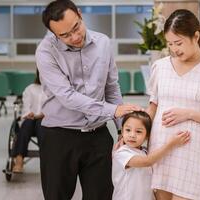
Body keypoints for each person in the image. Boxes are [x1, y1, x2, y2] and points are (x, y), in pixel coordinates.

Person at [35, 1, 142, 200]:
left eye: (76, 27)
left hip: (98, 136)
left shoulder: (103, 43)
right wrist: (113, 110)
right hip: (59, 137)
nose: (75, 37)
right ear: (53, 34)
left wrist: (121, 130)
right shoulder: (45, 52)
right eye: (64, 35)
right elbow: (67, 96)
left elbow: (111, 88)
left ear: (80, 14)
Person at [146, 9, 200, 200]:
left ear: (195, 36)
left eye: (178, 43)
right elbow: (152, 106)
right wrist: (137, 137)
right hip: (160, 149)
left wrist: (189, 114)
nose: (174, 49)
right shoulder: (160, 67)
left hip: (190, 153)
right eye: (169, 44)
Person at [112, 111, 190, 200]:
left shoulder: (145, 152)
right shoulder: (122, 153)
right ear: (122, 131)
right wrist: (171, 144)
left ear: (147, 136)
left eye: (138, 131)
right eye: (128, 130)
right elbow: (147, 162)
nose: (132, 135)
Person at [12, 69, 46, 173]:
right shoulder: (30, 89)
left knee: (41, 123)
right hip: (30, 121)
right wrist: (30, 114)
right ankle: (19, 160)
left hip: (46, 121)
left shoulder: (53, 89)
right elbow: (26, 109)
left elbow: (54, 109)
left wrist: (42, 115)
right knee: (27, 123)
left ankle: (46, 160)